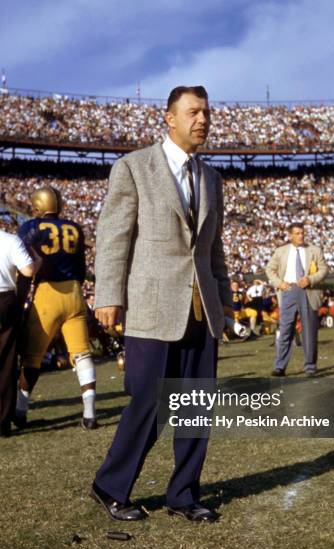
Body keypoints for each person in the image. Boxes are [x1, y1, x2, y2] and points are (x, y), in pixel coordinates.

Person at [91, 85, 232, 523]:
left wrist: (223, 303)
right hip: (151, 306)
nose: (203, 119)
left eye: (206, 112)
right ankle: (110, 485)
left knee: (195, 404)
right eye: (193, 112)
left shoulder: (212, 178)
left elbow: (213, 250)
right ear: (169, 118)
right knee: (149, 400)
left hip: (200, 307)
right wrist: (109, 295)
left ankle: (184, 494)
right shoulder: (133, 168)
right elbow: (114, 237)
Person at [16, 186, 98, 430]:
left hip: (47, 294)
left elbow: (25, 264)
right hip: (74, 292)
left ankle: (20, 411)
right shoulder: (74, 227)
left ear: (38, 205)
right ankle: (90, 413)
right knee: (82, 353)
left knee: (32, 357)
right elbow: (82, 268)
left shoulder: (31, 227)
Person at [266, 223, 328, 376]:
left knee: (309, 330)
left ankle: (310, 366)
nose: (301, 236)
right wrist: (279, 283)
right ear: (290, 235)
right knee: (285, 329)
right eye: (297, 233)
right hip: (288, 291)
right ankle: (280, 366)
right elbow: (269, 269)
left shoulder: (314, 250)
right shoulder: (281, 251)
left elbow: (324, 269)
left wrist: (310, 279)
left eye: (302, 233)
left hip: (308, 291)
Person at [0, 229, 38, 436]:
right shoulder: (10, 240)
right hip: (4, 299)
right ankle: (3, 422)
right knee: (6, 363)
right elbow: (28, 270)